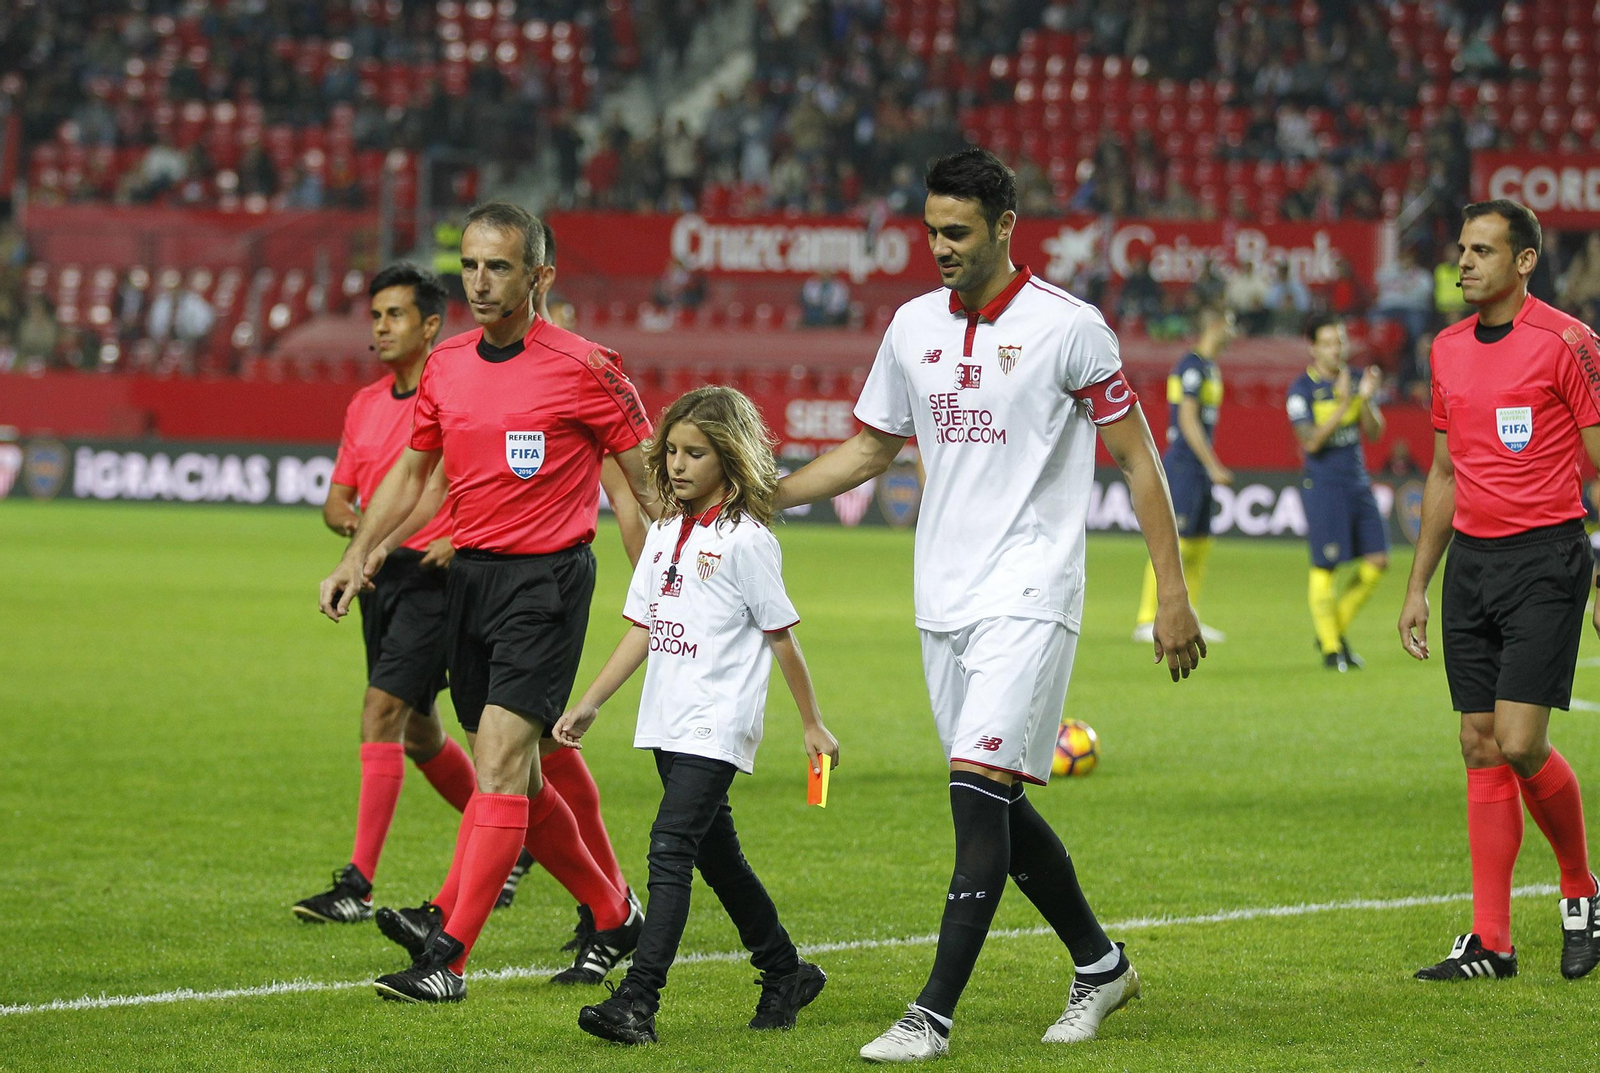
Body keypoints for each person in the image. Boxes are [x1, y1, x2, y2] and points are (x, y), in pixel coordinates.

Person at [773, 147, 1206, 1061]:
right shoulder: (911, 326)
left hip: (1032, 590)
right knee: (995, 806)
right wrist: (763, 495)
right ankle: (1101, 964)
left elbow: (1138, 459)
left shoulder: (1070, 328)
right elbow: (868, 451)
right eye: (932, 230)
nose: (941, 247)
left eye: (958, 231)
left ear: (1006, 226)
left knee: (975, 798)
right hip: (942, 599)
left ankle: (929, 1015)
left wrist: (1172, 594)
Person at [318, 201, 655, 1004]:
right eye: (469, 264)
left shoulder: (588, 365)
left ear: (540, 275)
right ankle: (614, 912)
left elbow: (647, 481)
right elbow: (415, 475)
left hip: (547, 582)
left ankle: (449, 957)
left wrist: (675, 581)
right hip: (467, 580)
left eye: (498, 266)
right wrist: (359, 554)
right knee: (523, 782)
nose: (478, 281)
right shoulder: (446, 365)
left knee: (500, 765)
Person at [553, 386, 839, 1046]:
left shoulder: (748, 542)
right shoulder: (663, 535)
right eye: (672, 451)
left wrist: (812, 722)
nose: (677, 465)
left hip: (718, 720)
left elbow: (781, 637)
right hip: (667, 718)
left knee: (670, 847)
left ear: (730, 456)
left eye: (695, 453)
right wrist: (591, 701)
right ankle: (785, 970)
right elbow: (643, 628)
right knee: (719, 857)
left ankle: (638, 999)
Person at [1399, 198, 1600, 983]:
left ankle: (1581, 888)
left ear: (1524, 262)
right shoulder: (1446, 349)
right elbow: (1443, 473)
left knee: (1518, 740)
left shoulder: (1569, 342)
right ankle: (1492, 941)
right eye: (1462, 248)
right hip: (1472, 565)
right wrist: (1419, 583)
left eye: (1482, 250)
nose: (1464, 261)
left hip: (1547, 558)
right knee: (1478, 742)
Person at [293, 264, 481, 924]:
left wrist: (456, 534)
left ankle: (358, 884)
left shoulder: (456, 396)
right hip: (380, 574)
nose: (380, 326)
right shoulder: (365, 404)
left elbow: (470, 481)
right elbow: (337, 500)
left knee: (381, 712)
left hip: (436, 574)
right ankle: (512, 835)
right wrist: (357, 533)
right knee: (421, 731)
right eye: (375, 315)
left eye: (395, 314)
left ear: (430, 325)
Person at [1286, 313, 1389, 671]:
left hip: (1357, 482)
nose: (1336, 349)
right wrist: (1345, 404)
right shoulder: (1301, 390)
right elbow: (1311, 442)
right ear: (1313, 348)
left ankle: (1331, 628)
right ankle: (1332, 649)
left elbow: (1375, 433)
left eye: (1340, 342)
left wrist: (1367, 401)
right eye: (1328, 343)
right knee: (1325, 566)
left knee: (1378, 560)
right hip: (1324, 486)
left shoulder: (1357, 380)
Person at [1133, 306, 1235, 645]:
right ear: (1215, 325)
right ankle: (1147, 619)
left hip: (1198, 469)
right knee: (1173, 544)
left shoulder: (1210, 368)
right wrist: (1213, 464)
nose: (1234, 332)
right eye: (1230, 324)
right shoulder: (1191, 367)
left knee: (1200, 544)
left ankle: (1190, 615)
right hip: (1184, 466)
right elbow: (1187, 420)